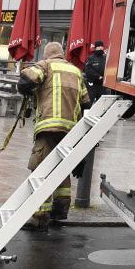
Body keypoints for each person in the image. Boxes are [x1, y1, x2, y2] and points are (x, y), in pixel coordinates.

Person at [19, 41, 88, 228]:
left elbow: (26, 80)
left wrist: (29, 90)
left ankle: (39, 216)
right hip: (71, 131)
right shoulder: (76, 71)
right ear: (62, 54)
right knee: (61, 168)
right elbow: (86, 101)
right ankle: (59, 212)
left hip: (49, 126)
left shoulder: (46, 65)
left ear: (47, 54)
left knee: (40, 169)